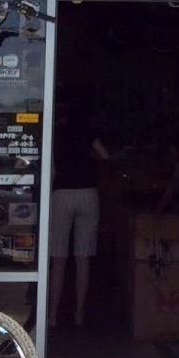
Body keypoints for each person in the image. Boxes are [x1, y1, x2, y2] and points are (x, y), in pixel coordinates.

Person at [49, 106, 110, 327]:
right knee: (83, 258)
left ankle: (53, 315)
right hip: (87, 193)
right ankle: (79, 314)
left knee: (58, 259)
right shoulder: (88, 133)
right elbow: (105, 155)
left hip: (62, 194)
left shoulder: (55, 134)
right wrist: (90, 156)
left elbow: (52, 171)